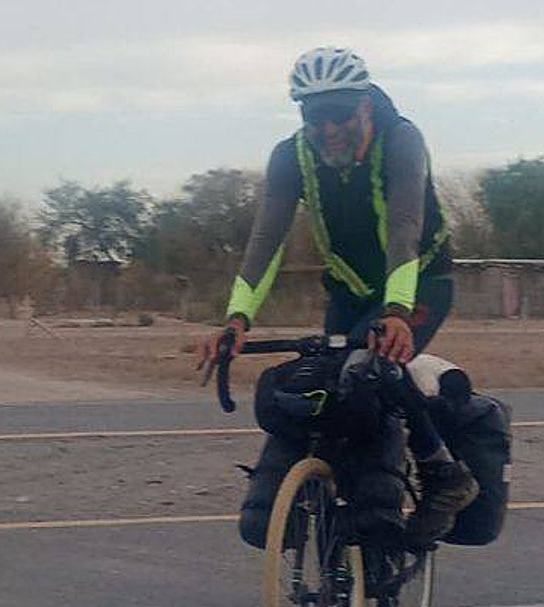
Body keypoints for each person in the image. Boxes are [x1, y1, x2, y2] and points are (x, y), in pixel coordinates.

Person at [201, 46, 478, 545]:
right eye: (314, 115)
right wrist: (237, 319)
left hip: (418, 283)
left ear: (365, 107)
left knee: (376, 368)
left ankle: (443, 472)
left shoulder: (401, 140)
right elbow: (267, 240)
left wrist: (395, 311)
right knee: (326, 381)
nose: (328, 129)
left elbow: (404, 229)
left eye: (339, 114)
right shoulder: (292, 156)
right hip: (349, 292)